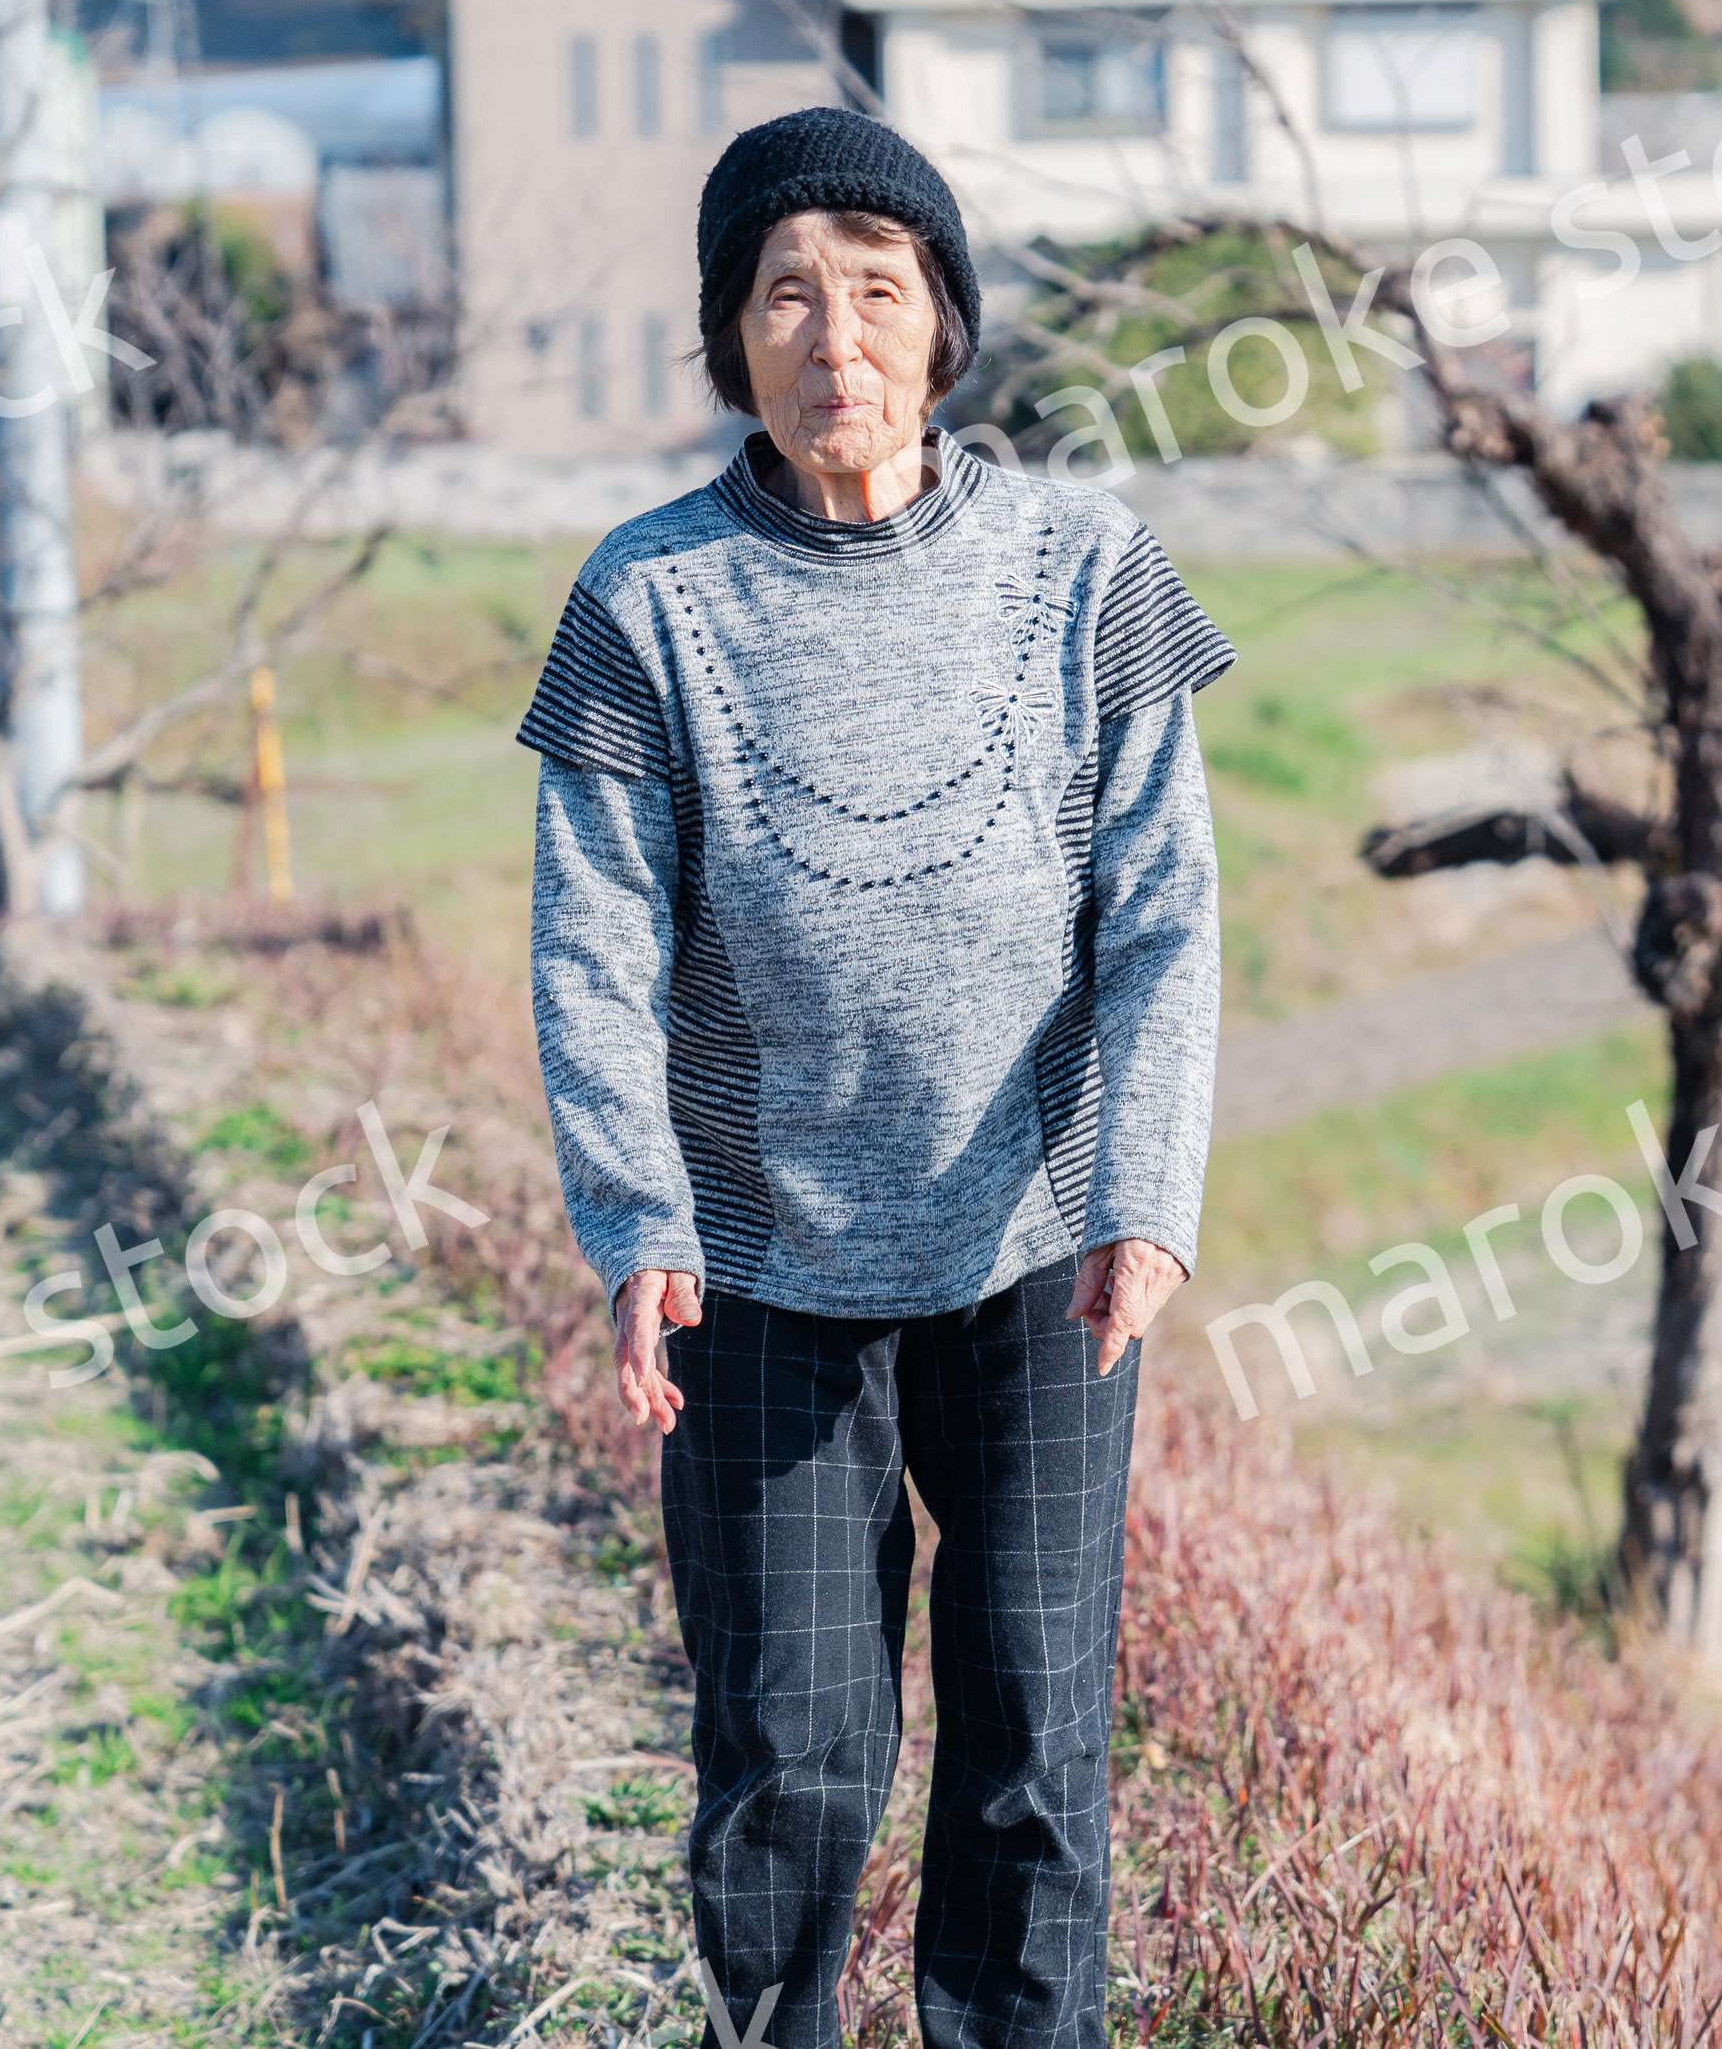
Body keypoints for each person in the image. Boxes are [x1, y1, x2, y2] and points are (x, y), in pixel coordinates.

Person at [518, 105, 1230, 2049]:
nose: (833, 335)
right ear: (729, 342)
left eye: (877, 290)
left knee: (1030, 1753)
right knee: (786, 1759)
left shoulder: (1089, 569)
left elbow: (1165, 908)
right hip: (759, 1265)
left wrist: (1146, 1191)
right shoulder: (641, 598)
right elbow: (589, 940)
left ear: (943, 328)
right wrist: (633, 1214)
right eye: (783, 295)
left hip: (1033, 1253)